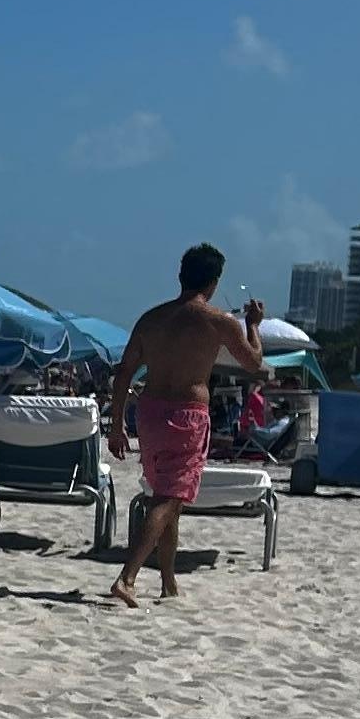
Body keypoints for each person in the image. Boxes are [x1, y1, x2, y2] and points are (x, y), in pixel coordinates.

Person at [106, 244, 264, 606]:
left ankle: (168, 583)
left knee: (167, 496)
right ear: (213, 282)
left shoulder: (151, 319)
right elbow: (254, 362)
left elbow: (123, 374)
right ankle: (128, 578)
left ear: (180, 277)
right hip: (188, 414)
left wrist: (117, 425)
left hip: (149, 414)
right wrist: (252, 325)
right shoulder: (218, 321)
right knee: (170, 499)